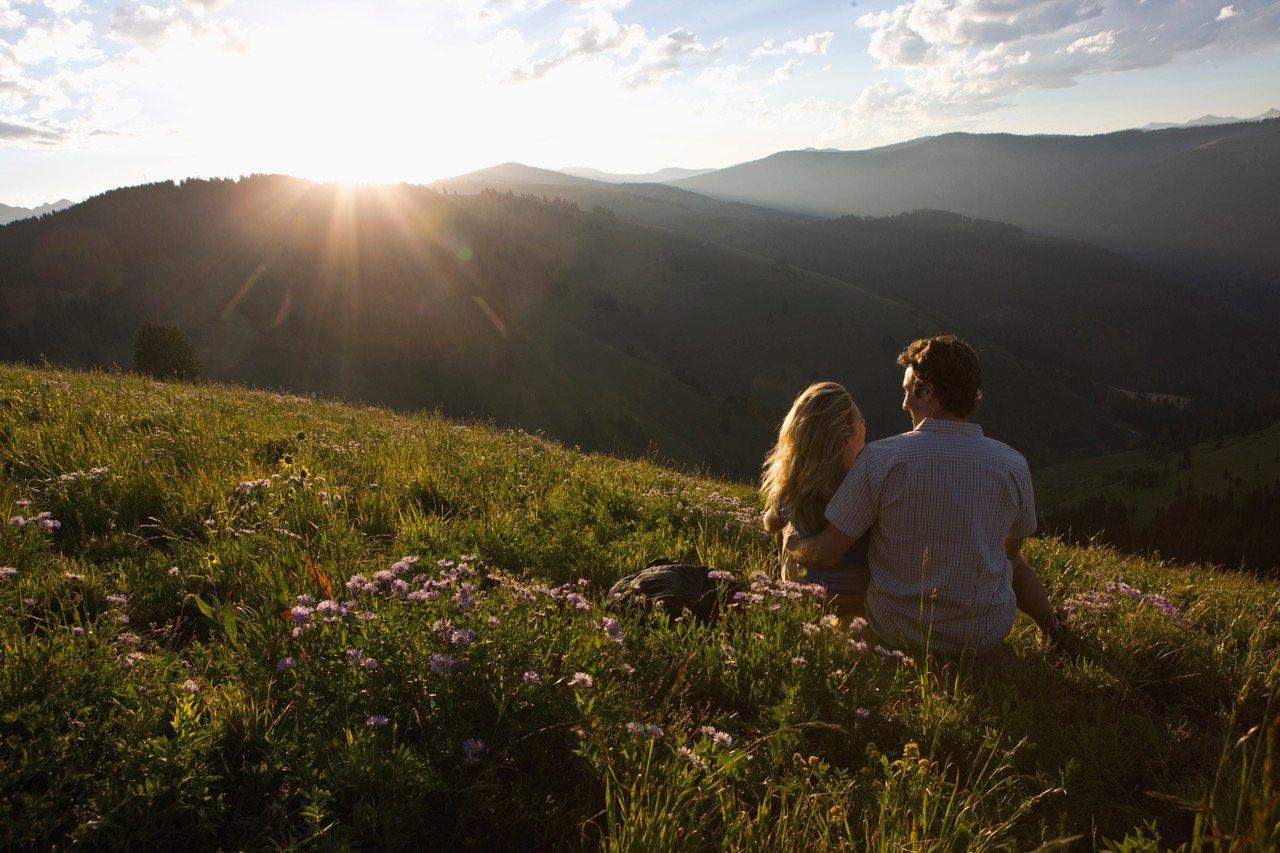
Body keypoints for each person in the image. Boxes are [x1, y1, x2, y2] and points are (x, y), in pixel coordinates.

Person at [785, 336, 1062, 656]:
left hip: (897, 632)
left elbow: (827, 554)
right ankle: (1054, 628)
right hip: (983, 637)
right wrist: (1050, 624)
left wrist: (793, 543)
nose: (903, 403)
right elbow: (1009, 558)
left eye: (907, 390)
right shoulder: (1012, 465)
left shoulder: (881, 459)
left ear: (927, 391)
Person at [760, 381, 870, 619]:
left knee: (785, 526)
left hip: (805, 595)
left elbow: (769, 523)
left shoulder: (797, 484)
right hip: (855, 602)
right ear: (843, 438)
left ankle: (786, 585)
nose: (865, 423)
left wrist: (791, 533)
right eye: (860, 420)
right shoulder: (865, 483)